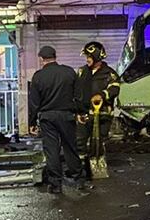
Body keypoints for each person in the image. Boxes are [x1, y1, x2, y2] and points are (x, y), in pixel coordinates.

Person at [29, 46, 85, 193]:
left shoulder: (38, 76)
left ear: (42, 59)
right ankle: (79, 179)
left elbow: (34, 103)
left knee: (52, 150)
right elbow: (78, 95)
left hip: (47, 117)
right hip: (67, 115)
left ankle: (55, 184)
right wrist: (80, 112)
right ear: (55, 56)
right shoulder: (69, 72)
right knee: (70, 147)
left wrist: (32, 122)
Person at [75, 41, 122, 183]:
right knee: (80, 141)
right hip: (85, 114)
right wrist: (78, 112)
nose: (87, 59)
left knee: (99, 141)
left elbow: (115, 89)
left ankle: (97, 164)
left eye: (89, 57)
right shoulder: (82, 72)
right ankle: (82, 170)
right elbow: (76, 92)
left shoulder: (110, 73)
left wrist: (102, 95)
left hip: (103, 115)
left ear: (96, 57)